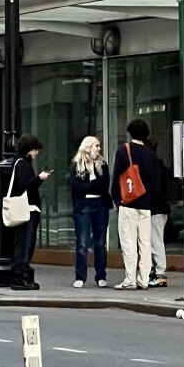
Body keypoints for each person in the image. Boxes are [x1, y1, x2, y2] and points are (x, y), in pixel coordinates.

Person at [111, 117, 161, 290]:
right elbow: (156, 181)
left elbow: (117, 177)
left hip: (128, 203)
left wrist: (116, 199)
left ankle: (130, 279)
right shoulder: (151, 154)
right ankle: (144, 279)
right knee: (145, 243)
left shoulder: (124, 150)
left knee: (129, 242)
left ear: (130, 132)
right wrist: (151, 200)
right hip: (146, 205)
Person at [8, 133, 51, 290]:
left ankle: (20, 275)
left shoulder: (20, 162)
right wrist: (39, 178)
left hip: (26, 208)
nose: (36, 153)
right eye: (35, 150)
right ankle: (20, 276)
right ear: (28, 150)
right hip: (27, 208)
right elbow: (25, 185)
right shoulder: (22, 164)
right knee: (25, 243)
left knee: (24, 242)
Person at [68, 135, 111, 288]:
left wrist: (89, 186)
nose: (99, 149)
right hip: (83, 206)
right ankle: (80, 276)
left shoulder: (102, 164)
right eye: (96, 146)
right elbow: (76, 187)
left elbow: (104, 185)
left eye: (99, 146)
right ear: (88, 147)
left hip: (100, 204)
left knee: (100, 243)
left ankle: (101, 276)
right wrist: (93, 184)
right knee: (82, 242)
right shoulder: (76, 165)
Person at [145, 137, 171, 288]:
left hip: (155, 209)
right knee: (155, 241)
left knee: (154, 242)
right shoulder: (160, 166)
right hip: (160, 208)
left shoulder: (152, 168)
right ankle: (157, 273)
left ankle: (159, 274)